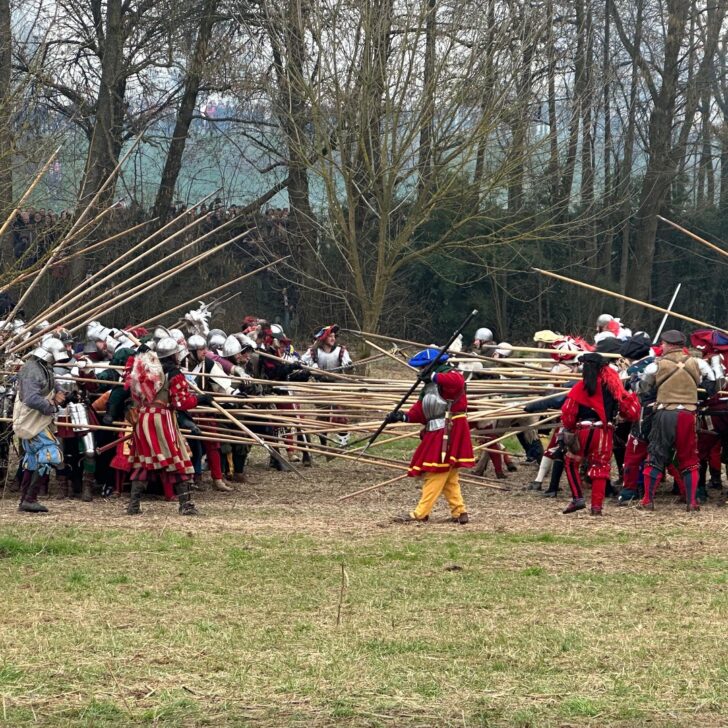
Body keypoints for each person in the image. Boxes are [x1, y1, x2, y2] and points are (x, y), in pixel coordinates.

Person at [125, 337, 213, 516]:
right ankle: (186, 505)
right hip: (161, 420)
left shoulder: (146, 369)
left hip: (143, 419)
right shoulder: (174, 374)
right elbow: (180, 403)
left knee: (144, 461)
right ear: (174, 356)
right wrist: (200, 399)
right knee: (178, 459)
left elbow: (134, 395)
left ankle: (133, 505)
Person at [387, 348, 474, 524]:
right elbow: (420, 412)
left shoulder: (450, 375)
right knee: (449, 477)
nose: (420, 371)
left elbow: (457, 382)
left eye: (422, 368)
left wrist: (433, 375)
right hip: (437, 429)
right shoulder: (428, 387)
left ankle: (420, 513)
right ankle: (459, 512)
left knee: (436, 472)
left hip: (450, 428)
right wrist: (401, 416)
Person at [560, 352, 640, 516]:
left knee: (570, 461)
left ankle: (577, 498)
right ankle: (596, 507)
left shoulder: (579, 387)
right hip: (604, 433)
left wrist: (569, 428)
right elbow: (630, 412)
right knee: (600, 468)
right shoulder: (612, 387)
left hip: (582, 431)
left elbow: (568, 413)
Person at [638, 330, 703, 511]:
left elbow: (642, 388)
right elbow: (715, 384)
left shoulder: (656, 365)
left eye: (663, 344)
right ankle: (692, 502)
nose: (662, 347)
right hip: (689, 413)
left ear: (669, 344)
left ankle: (648, 501)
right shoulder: (697, 362)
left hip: (665, 412)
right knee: (689, 457)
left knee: (656, 454)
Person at [13, 337, 68, 512]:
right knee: (48, 454)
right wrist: (52, 406)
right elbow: (31, 398)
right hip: (30, 419)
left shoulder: (43, 366)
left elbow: (51, 382)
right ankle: (29, 498)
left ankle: (26, 500)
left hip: (38, 420)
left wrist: (61, 392)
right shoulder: (31, 369)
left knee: (33, 459)